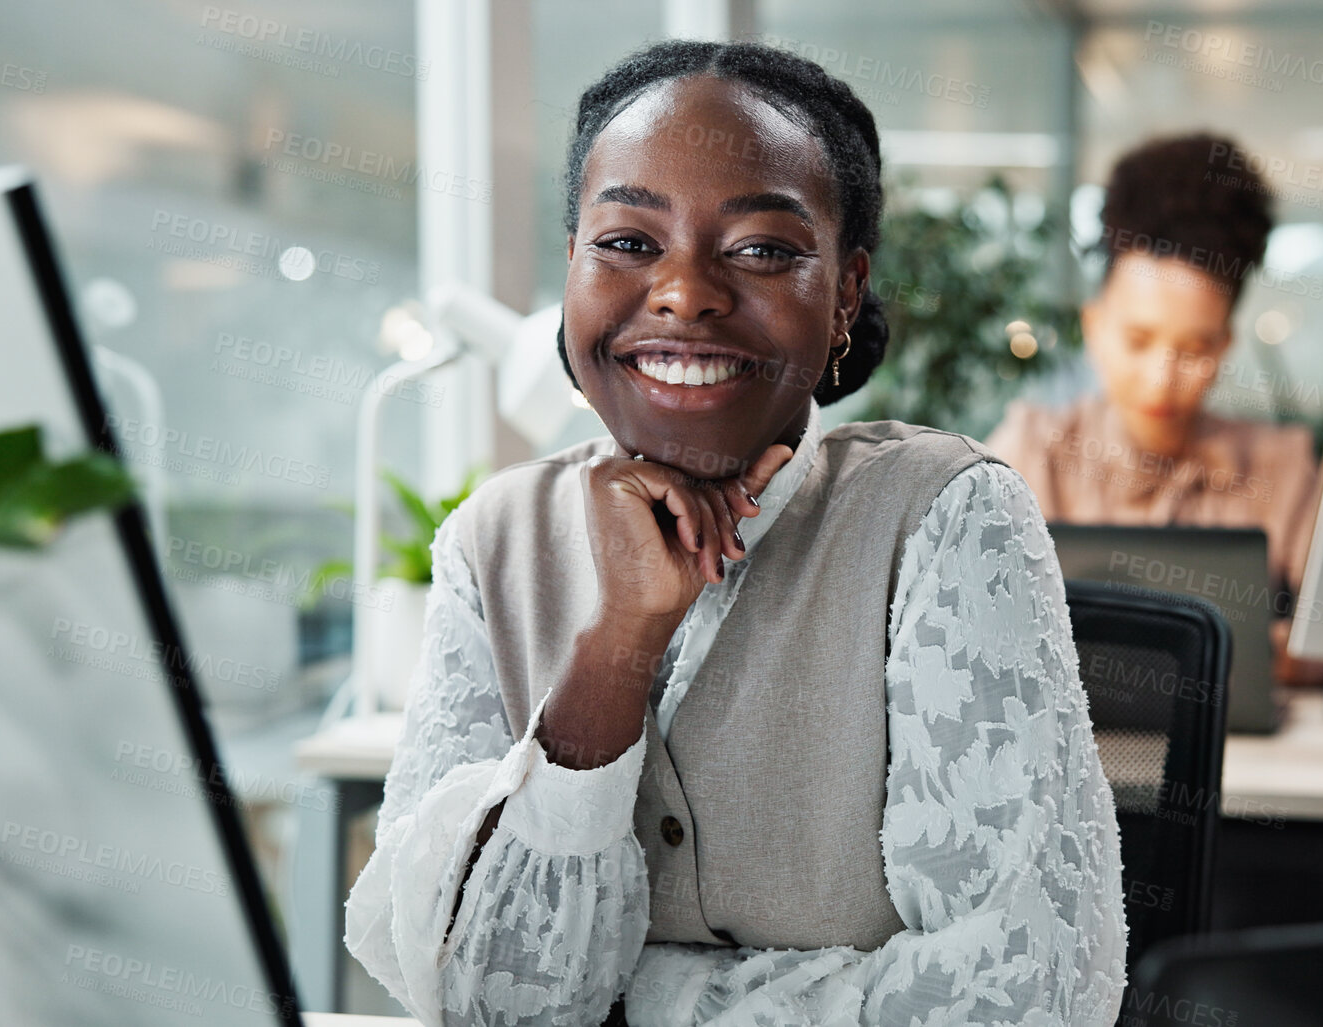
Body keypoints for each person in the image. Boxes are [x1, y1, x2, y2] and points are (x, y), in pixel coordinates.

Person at [343, 40, 1128, 1027]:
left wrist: (646, 1001)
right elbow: (484, 999)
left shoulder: (945, 514)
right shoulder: (491, 542)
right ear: (574, 266)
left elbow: (1029, 998)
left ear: (845, 295)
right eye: (627, 241)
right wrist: (617, 644)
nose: (685, 291)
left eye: (760, 249)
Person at [985, 132, 1323, 681]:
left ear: (1225, 347)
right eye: (1138, 341)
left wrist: (1283, 655)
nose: (1162, 379)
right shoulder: (1030, 452)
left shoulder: (1278, 469)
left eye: (1195, 349)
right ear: (1094, 327)